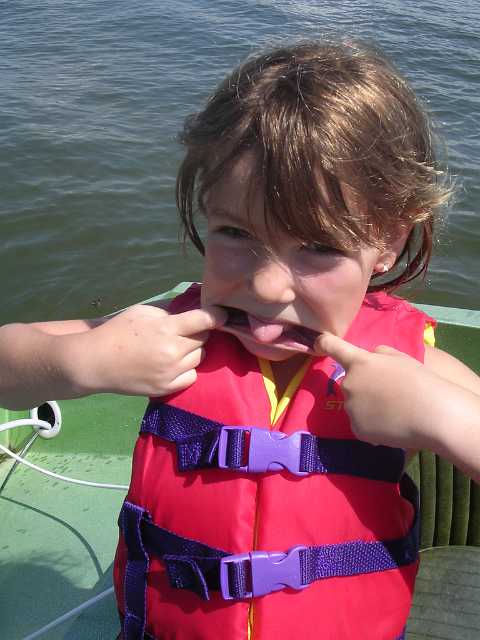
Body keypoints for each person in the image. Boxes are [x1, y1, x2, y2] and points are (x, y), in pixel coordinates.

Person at [1, 39, 479, 639]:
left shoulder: (409, 366)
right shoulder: (170, 331)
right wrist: (80, 360)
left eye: (319, 247)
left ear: (386, 242)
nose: (268, 286)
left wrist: (445, 418)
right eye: (234, 233)